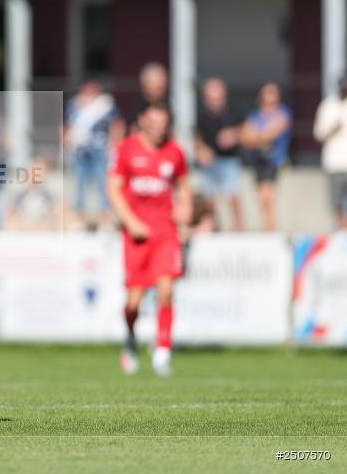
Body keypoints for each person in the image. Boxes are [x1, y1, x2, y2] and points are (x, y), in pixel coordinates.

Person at [107, 101, 192, 377]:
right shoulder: (126, 149)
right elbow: (113, 188)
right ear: (142, 120)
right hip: (137, 236)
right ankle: (130, 339)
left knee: (166, 289)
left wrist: (185, 208)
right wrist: (131, 222)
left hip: (166, 232)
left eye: (163, 125)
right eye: (154, 124)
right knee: (133, 302)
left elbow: (184, 185)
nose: (159, 129)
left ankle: (163, 351)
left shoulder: (175, 152)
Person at [64, 79, 122, 228]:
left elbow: (116, 124)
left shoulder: (105, 105)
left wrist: (114, 144)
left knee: (103, 185)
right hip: (79, 151)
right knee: (78, 186)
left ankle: (105, 219)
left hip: (100, 150)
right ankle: (79, 219)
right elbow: (66, 125)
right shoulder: (74, 105)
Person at [240, 83, 292, 231]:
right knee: (262, 199)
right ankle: (267, 229)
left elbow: (271, 133)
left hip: (275, 161)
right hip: (258, 161)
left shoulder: (283, 113)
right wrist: (259, 137)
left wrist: (256, 136)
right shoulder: (255, 115)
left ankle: (272, 230)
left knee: (270, 197)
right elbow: (245, 138)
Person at [194, 78, 243, 230]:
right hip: (210, 163)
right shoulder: (201, 116)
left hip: (229, 160)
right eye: (211, 99)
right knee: (209, 198)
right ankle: (212, 227)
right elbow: (197, 138)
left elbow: (245, 130)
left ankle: (239, 228)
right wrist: (202, 151)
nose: (215, 102)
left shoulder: (233, 112)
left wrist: (233, 135)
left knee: (233, 195)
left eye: (218, 98)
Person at [313, 76, 347, 229]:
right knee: (336, 202)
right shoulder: (328, 106)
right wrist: (333, 128)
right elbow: (318, 133)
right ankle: (342, 231)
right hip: (335, 163)